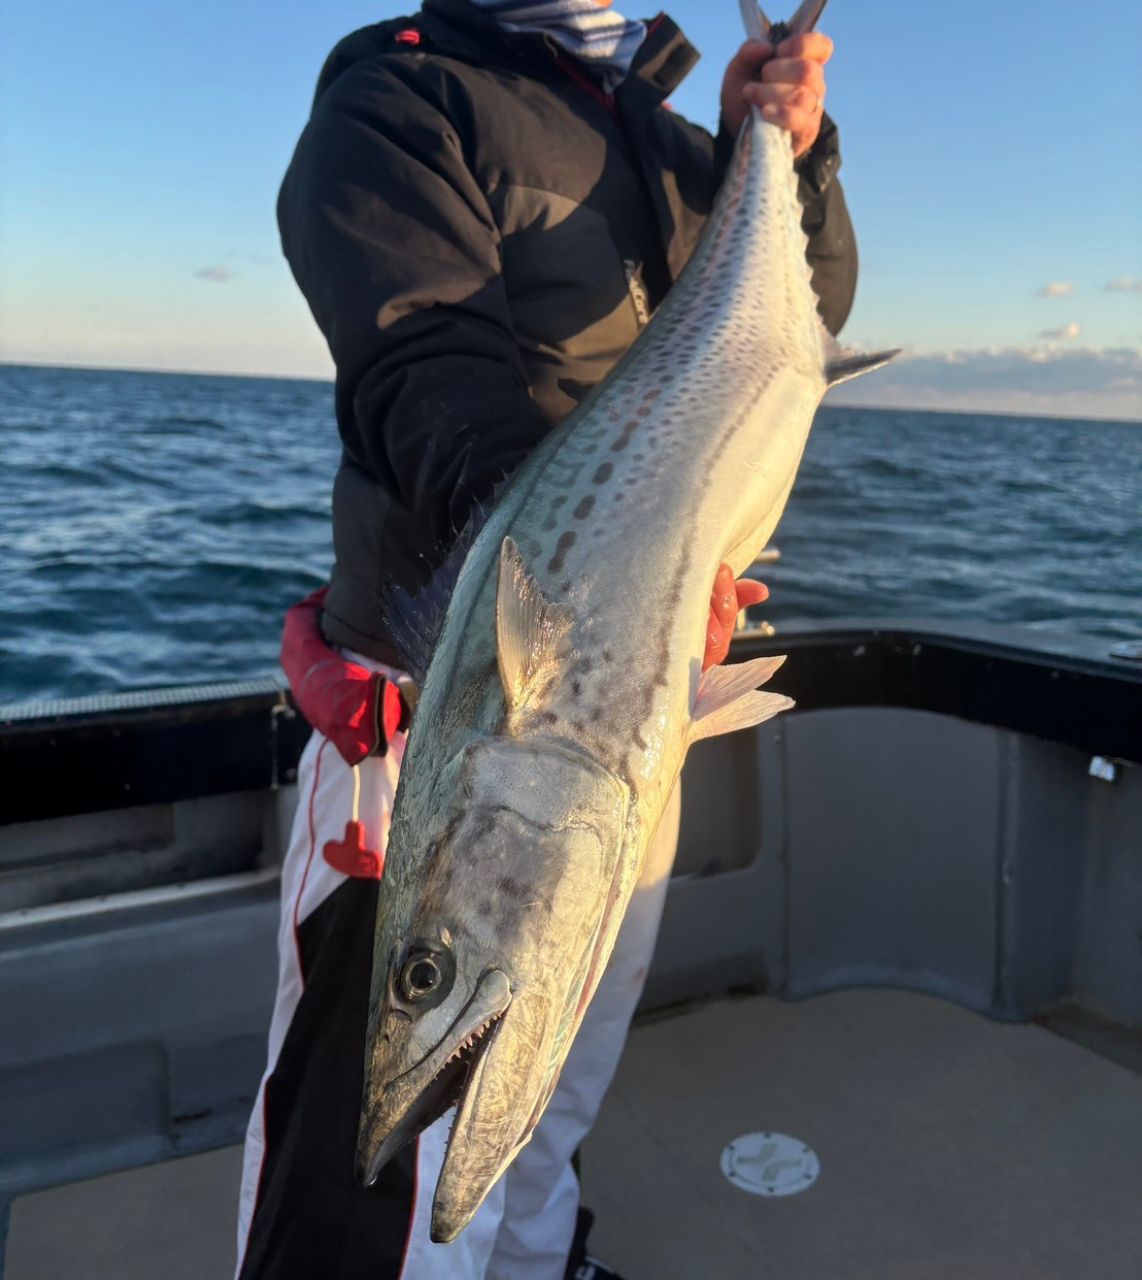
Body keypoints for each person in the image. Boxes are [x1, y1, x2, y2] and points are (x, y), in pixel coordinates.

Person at [236, 1, 856, 1276]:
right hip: (443, 713)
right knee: (379, 1156)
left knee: (552, 1080)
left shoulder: (670, 133)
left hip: (633, 707)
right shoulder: (400, 102)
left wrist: (792, 146)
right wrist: (605, 566)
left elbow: (799, 315)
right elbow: (424, 370)